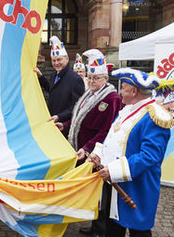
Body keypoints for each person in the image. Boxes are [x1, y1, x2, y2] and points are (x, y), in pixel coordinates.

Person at [89, 68, 174, 237]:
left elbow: (150, 156)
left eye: (124, 87)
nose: (120, 91)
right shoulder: (128, 109)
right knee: (113, 226)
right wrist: (98, 154)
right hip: (114, 180)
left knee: (139, 231)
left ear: (134, 91)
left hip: (137, 184)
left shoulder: (154, 115)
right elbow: (112, 136)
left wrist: (113, 170)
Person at [56, 49, 122, 237]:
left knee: (99, 191)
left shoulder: (112, 98)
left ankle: (100, 229)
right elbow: (78, 119)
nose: (92, 81)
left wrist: (87, 148)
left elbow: (106, 131)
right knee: (91, 190)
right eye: (91, 78)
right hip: (82, 149)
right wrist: (65, 124)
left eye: (97, 78)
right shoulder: (88, 94)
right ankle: (94, 225)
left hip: (97, 153)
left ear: (105, 79)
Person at [36, 36, 85, 127]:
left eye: (59, 59)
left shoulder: (75, 79)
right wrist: (41, 76)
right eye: (54, 60)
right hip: (52, 122)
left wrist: (60, 116)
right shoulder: (54, 74)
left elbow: (78, 106)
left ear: (66, 58)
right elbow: (51, 89)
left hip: (65, 125)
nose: (56, 63)